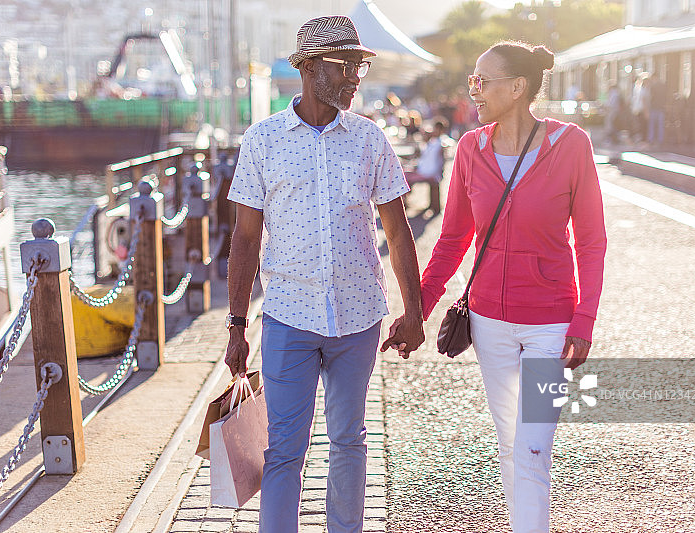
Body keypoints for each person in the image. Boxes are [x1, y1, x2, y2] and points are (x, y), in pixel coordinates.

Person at [224, 16, 425, 533]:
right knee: (285, 448)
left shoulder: (370, 140)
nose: (357, 77)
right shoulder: (263, 141)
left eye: (360, 65)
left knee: (349, 439)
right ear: (309, 67)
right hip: (289, 318)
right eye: (347, 65)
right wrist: (235, 326)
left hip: (359, 316)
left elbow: (399, 232)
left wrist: (415, 312)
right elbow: (245, 239)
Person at [419, 41, 607, 532]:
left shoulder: (571, 146)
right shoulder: (470, 149)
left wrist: (583, 320)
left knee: (533, 444)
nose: (473, 90)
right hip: (488, 325)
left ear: (517, 87)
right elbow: (454, 238)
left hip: (551, 324)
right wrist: (418, 306)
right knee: (511, 442)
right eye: (473, 80)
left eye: (483, 80)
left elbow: (591, 239)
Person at [404, 119, 451, 213]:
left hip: (429, 172)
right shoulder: (432, 141)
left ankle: (404, 203)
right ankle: (405, 201)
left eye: (436, 129)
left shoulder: (441, 142)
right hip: (424, 170)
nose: (434, 131)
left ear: (441, 130)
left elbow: (443, 155)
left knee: (405, 177)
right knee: (404, 173)